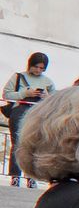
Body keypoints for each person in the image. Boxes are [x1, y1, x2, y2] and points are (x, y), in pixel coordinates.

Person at [5, 52, 55, 187]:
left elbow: (55, 99)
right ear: (30, 65)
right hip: (19, 112)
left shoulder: (48, 81)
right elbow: (6, 94)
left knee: (34, 145)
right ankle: (15, 176)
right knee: (18, 144)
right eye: (36, 67)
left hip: (37, 114)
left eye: (41, 68)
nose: (38, 70)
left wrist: (46, 96)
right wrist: (24, 93)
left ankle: (31, 177)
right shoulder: (18, 77)